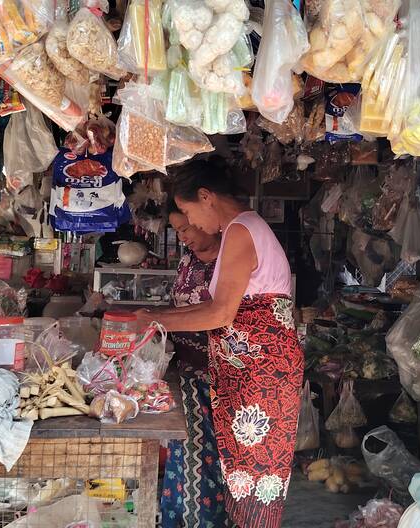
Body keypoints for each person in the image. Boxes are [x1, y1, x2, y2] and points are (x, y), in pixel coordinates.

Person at [139, 162, 303, 528]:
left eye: (190, 212)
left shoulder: (243, 229)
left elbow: (221, 314)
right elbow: (221, 307)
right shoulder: (241, 229)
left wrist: (155, 320)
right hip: (253, 371)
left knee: (255, 477)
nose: (192, 223)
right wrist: (154, 315)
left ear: (206, 197)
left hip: (261, 375)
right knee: (244, 475)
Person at [159, 210, 229, 528]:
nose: (183, 236)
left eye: (186, 228)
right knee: (185, 451)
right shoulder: (188, 258)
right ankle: (180, 519)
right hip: (186, 372)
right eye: (177, 230)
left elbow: (221, 313)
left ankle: (212, 521)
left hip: (220, 378)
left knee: (216, 459)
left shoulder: (228, 260)